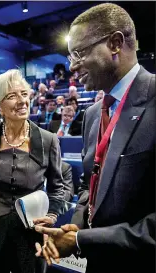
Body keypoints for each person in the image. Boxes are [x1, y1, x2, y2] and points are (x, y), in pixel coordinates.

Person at [35, 3, 155, 273]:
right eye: (69, 58)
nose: (73, 67)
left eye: (79, 53)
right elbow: (90, 186)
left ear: (115, 43)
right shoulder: (90, 115)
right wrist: (76, 225)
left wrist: (80, 239)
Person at [0, 69, 65, 273]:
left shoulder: (47, 139)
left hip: (31, 228)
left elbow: (57, 186)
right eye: (12, 96)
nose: (22, 101)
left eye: (24, 94)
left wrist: (51, 216)